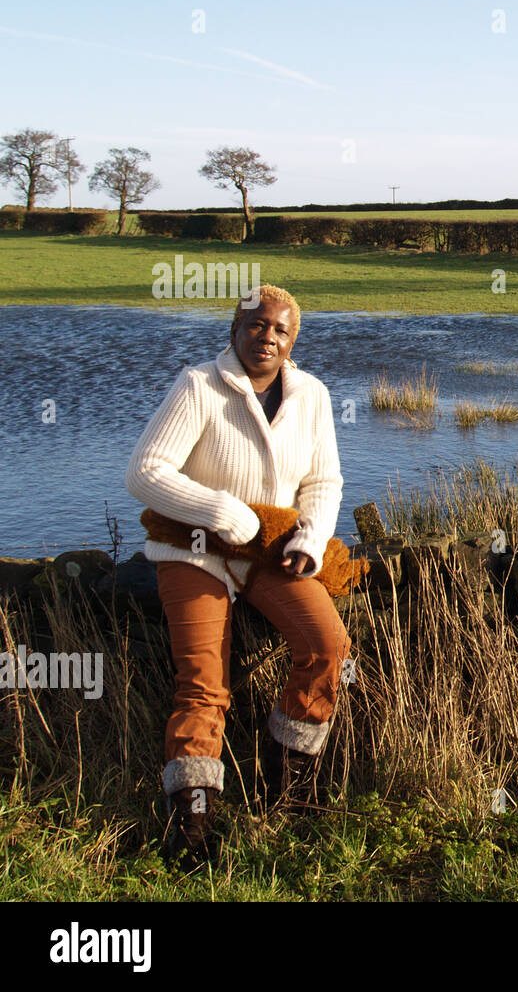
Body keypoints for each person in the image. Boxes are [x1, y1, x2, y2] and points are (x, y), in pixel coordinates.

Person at [126, 284, 351, 869]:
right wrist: (221, 514)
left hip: (271, 551)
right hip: (191, 548)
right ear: (235, 328)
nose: (267, 337)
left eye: (280, 330)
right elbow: (145, 473)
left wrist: (308, 538)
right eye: (257, 325)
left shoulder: (314, 396)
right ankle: (193, 828)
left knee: (326, 645)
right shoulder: (198, 385)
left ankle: (288, 785)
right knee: (203, 681)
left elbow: (323, 483)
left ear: (292, 340)